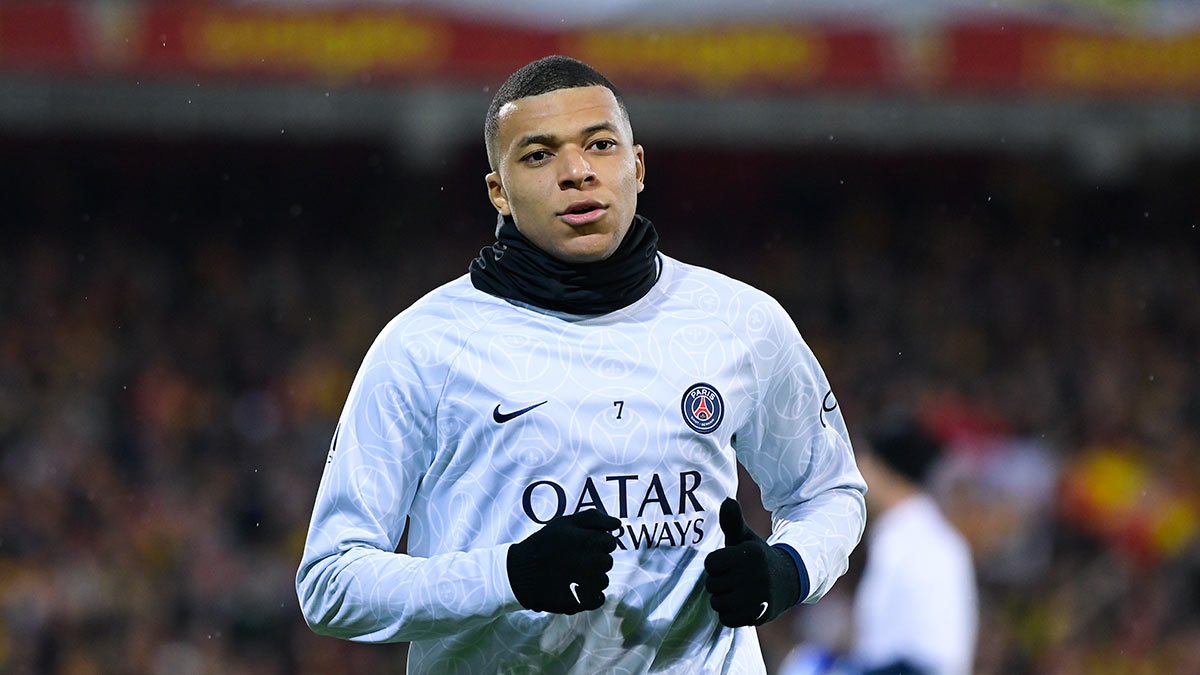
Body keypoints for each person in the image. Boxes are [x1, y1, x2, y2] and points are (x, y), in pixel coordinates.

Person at [296, 55, 866, 673]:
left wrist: (789, 569)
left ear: (637, 166)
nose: (577, 172)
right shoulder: (424, 347)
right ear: (499, 192)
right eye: (539, 155)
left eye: (600, 145)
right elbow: (332, 582)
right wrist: (508, 576)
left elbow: (828, 493)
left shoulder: (740, 322)